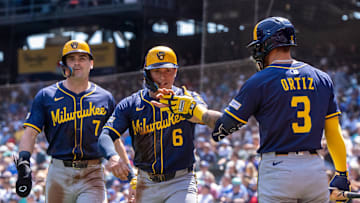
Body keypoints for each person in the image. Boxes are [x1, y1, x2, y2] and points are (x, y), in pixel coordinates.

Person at [155, 17, 350, 202]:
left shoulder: (260, 81)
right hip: (315, 169)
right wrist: (342, 173)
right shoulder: (321, 78)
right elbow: (333, 132)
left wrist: (192, 109)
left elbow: (225, 126)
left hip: (278, 169)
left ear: (267, 45)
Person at [98, 45, 206, 203]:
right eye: (157, 71)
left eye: (168, 71)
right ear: (147, 74)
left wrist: (187, 108)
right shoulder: (131, 104)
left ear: (175, 72)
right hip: (146, 183)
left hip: (180, 182)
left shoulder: (188, 98)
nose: (163, 77)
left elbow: (204, 116)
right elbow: (106, 135)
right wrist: (112, 157)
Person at [14, 40, 118, 202]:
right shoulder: (45, 96)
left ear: (91, 63)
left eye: (82, 58)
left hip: (92, 172)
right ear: (64, 65)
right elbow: (30, 133)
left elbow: (114, 136)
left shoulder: (105, 97)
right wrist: (24, 162)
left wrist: (128, 170)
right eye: (71, 59)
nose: (76, 63)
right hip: (59, 172)